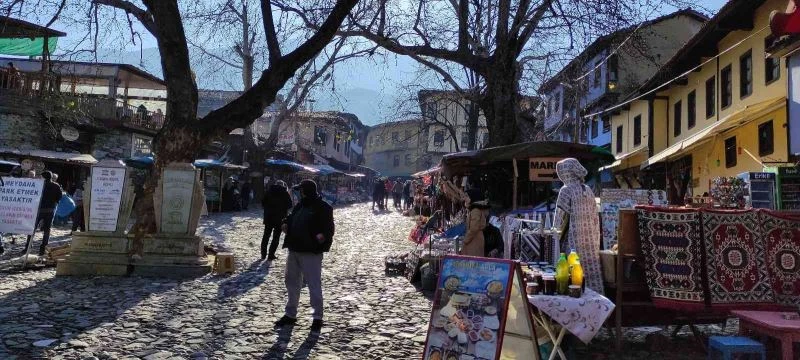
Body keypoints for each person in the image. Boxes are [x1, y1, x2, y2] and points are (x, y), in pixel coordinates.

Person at [275, 179, 335, 333]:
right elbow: (290, 218)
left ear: (304, 191)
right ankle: (290, 314)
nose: (298, 193)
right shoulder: (300, 205)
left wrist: (320, 239)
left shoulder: (323, 207)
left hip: (311, 252)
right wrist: (285, 223)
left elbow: (329, 229)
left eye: (300, 190)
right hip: (294, 249)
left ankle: (317, 317)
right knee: (291, 281)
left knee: (314, 284)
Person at [553, 158, 603, 295]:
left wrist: (553, 237)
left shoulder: (566, 190)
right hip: (590, 243)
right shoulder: (588, 190)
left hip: (573, 242)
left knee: (572, 273)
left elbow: (559, 219)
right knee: (589, 272)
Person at [24, 171, 63, 256]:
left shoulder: (39, 185)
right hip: (50, 210)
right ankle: (43, 248)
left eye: (41, 176)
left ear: (44, 177)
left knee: (32, 228)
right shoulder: (56, 186)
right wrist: (54, 203)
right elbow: (59, 197)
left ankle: (28, 246)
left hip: (39, 210)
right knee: (47, 230)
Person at [261, 180, 292, 261]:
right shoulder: (285, 193)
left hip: (269, 217)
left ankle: (263, 254)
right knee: (276, 237)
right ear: (283, 185)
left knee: (266, 236)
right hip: (280, 218)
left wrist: (268, 208)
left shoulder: (269, 191)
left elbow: (263, 202)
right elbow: (290, 204)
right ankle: (271, 255)